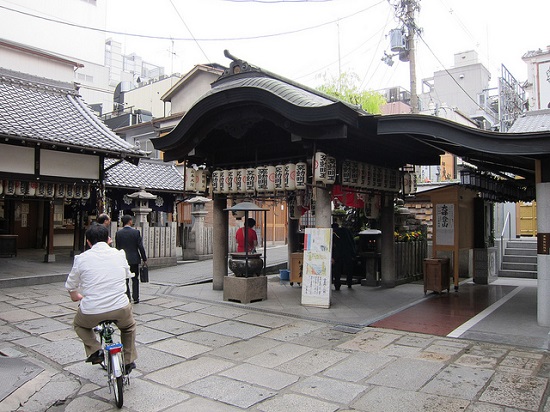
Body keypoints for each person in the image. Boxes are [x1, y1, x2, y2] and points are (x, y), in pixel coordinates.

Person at [65, 224, 137, 374]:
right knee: (128, 327)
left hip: (92, 311)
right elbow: (127, 275)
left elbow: (71, 285)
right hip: (120, 308)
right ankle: (128, 360)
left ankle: (95, 350)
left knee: (79, 325)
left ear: (88, 242)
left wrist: (76, 295)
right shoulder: (119, 254)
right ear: (108, 239)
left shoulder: (81, 258)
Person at [115, 215, 147, 304]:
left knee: (125, 279)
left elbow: (118, 247)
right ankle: (136, 297)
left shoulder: (118, 233)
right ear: (129, 221)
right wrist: (144, 258)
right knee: (135, 278)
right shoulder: (136, 232)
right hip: (134, 258)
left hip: (123, 259)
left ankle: (127, 297)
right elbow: (140, 246)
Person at [331, 221, 357, 290]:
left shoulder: (334, 233)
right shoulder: (347, 231)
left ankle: (337, 285)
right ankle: (349, 283)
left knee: (337, 270)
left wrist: (334, 257)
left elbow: (336, 246)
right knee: (349, 269)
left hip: (339, 255)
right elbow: (352, 242)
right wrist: (353, 254)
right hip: (348, 253)